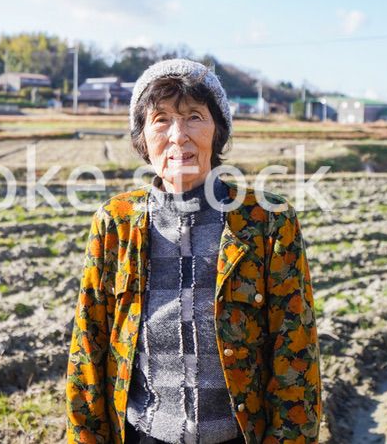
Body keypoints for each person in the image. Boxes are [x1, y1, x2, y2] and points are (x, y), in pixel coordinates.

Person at [65, 59, 322, 444]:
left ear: (218, 132)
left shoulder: (268, 221)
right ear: (142, 138)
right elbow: (89, 346)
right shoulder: (116, 223)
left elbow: (296, 352)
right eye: (161, 119)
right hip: (143, 435)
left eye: (194, 117)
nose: (178, 135)